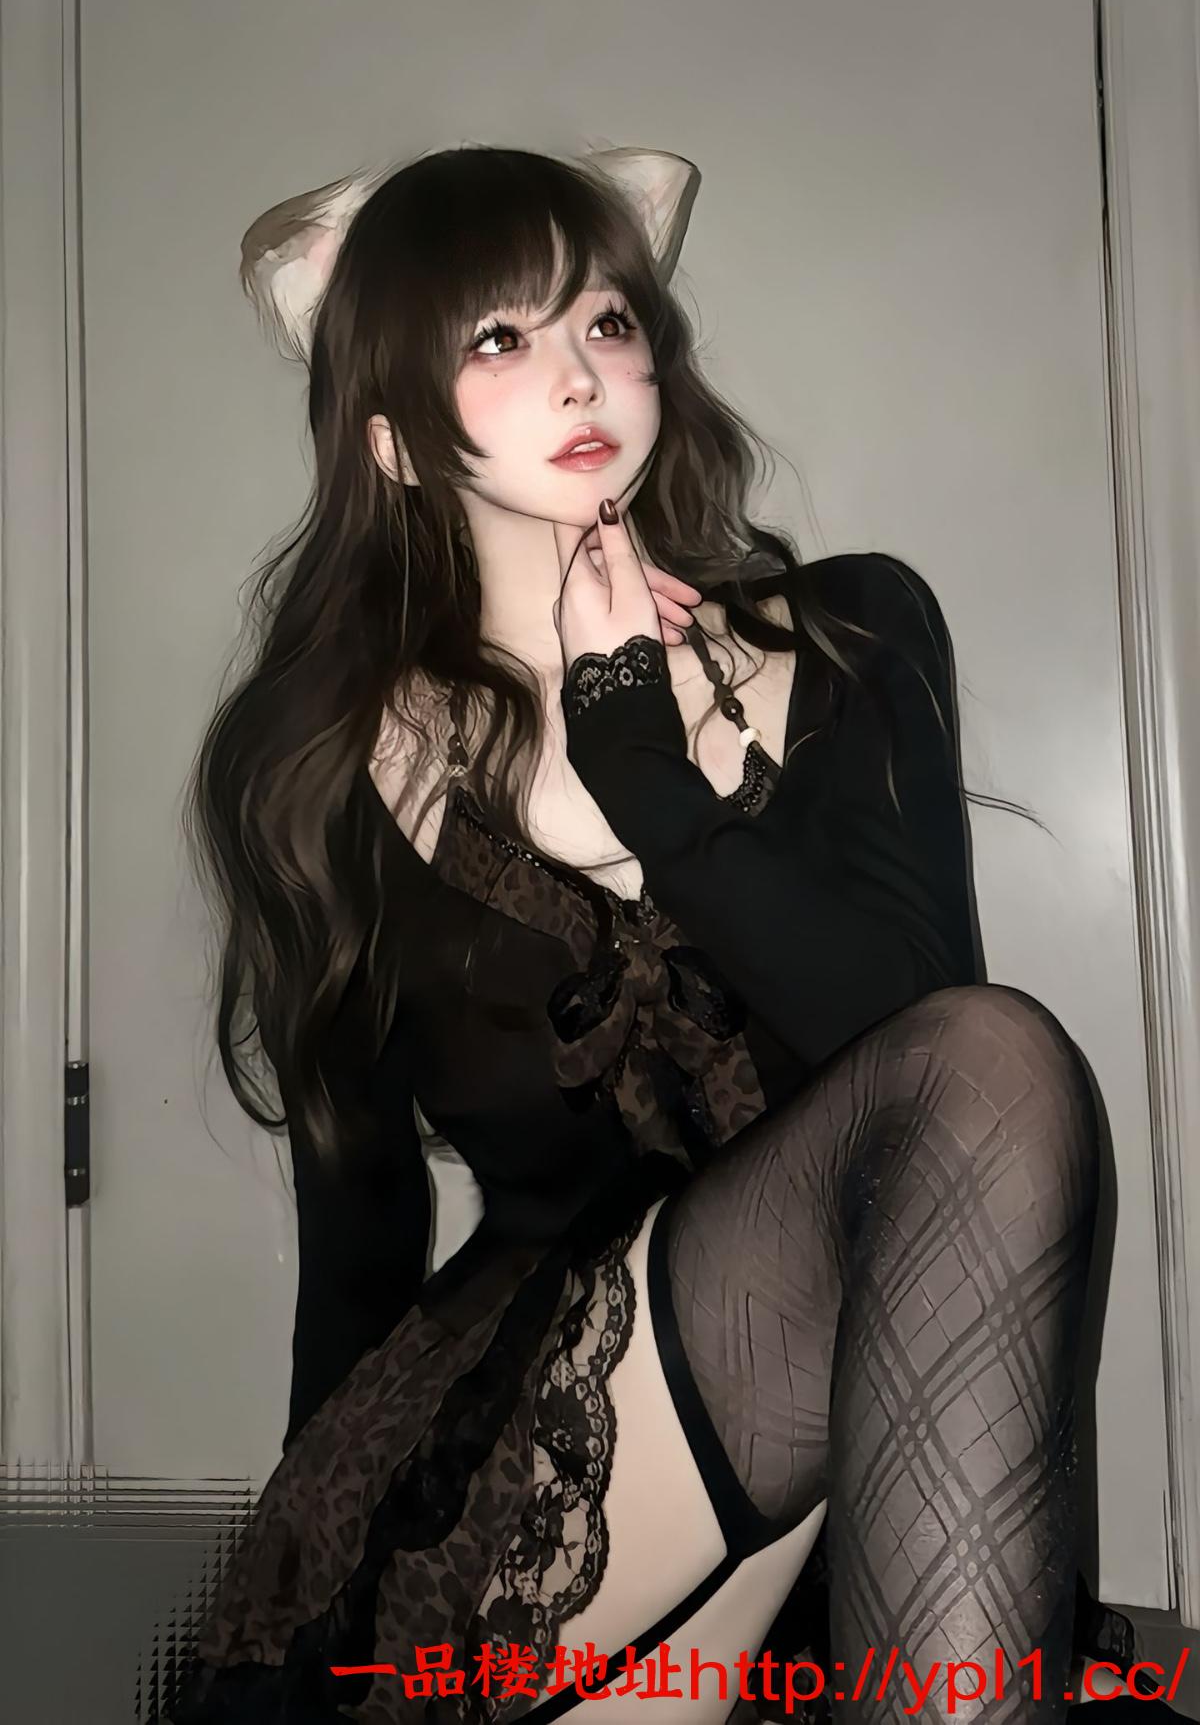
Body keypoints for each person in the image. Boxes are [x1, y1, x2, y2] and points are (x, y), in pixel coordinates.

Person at [158, 142, 1142, 1724]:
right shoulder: (326, 770)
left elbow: (920, 1054)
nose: (578, 374)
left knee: (990, 1062)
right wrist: (300, 1597)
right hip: (533, 1448)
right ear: (392, 443)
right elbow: (356, 1227)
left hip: (844, 1417)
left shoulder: (854, 634)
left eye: (605, 322)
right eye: (499, 338)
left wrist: (644, 760)